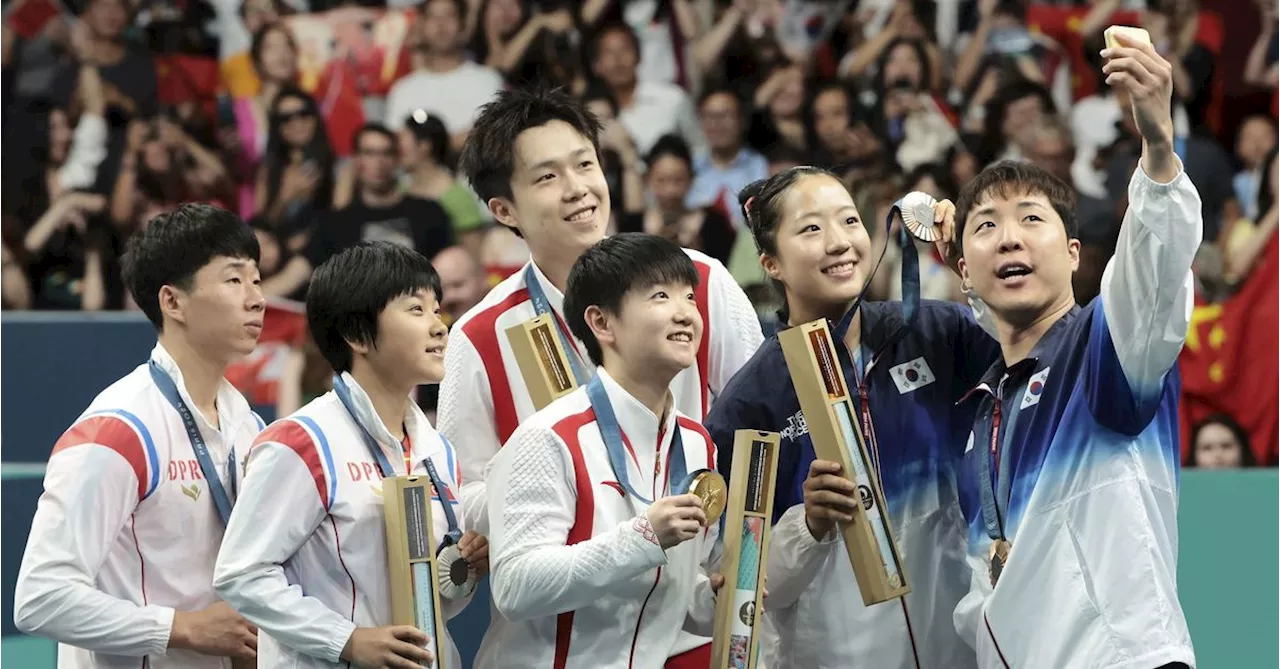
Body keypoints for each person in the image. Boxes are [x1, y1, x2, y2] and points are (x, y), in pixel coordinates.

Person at [444, 86, 762, 665]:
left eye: (585, 164)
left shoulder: (702, 286)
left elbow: (759, 432)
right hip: (555, 638)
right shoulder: (481, 335)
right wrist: (562, 497)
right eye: (546, 177)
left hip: (686, 628)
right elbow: (458, 487)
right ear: (503, 210)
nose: (577, 189)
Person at [950, 34, 1200, 669]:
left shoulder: (1107, 348)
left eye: (1032, 219)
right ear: (963, 274)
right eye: (986, 226)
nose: (1008, 239)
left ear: (1072, 255)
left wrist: (1159, 151)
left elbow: (1154, 268)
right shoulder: (979, 419)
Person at [703, 167, 998, 669]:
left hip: (957, 646)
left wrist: (974, 268)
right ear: (770, 262)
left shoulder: (938, 332)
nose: (839, 242)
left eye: (849, 221)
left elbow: (1036, 359)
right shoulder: (753, 402)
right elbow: (737, 584)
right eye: (811, 229)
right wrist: (808, 526)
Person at [214, 241, 488, 669]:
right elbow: (241, 575)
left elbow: (427, 599)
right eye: (416, 310)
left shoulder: (437, 450)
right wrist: (347, 640)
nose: (439, 326)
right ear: (358, 335)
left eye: (436, 310)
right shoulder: (301, 442)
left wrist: (462, 571)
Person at [13, 204, 265, 669]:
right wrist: (181, 628)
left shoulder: (247, 425)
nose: (256, 298)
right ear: (173, 302)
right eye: (234, 280)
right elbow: (40, 597)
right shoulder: (118, 430)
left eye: (256, 280)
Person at [484, 233, 720, 668]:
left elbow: (678, 599)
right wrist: (643, 537)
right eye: (661, 296)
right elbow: (515, 587)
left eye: (690, 296)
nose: (686, 312)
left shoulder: (695, 442)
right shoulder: (550, 436)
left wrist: (717, 598)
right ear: (602, 323)